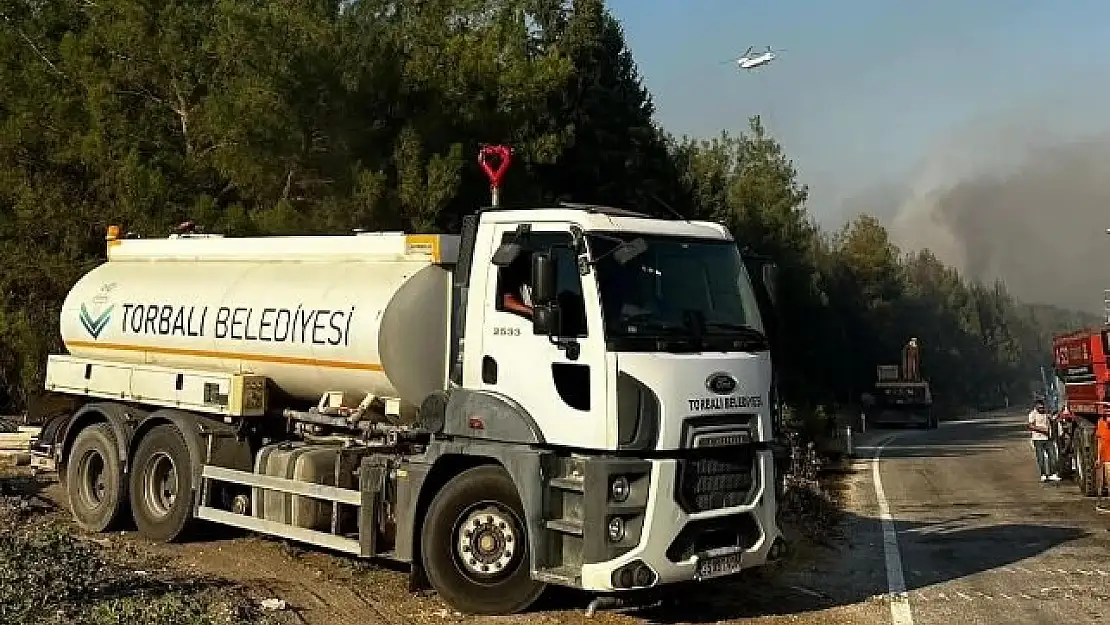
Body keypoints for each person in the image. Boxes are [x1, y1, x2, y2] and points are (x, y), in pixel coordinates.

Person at [1028, 399, 1061, 482]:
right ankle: (1043, 474)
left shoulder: (1046, 414)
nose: (1042, 409)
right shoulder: (1033, 414)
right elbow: (1031, 426)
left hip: (1048, 438)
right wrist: (1043, 430)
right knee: (1041, 458)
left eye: (1043, 407)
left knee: (1052, 456)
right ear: (1036, 407)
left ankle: (1052, 473)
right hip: (1038, 439)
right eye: (1040, 408)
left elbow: (1053, 420)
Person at [1095, 413, 1110, 512]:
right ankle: (1100, 503)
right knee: (1104, 481)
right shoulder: (1101, 424)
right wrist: (1098, 458)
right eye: (1108, 416)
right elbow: (1099, 442)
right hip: (1106, 459)